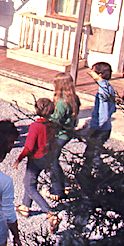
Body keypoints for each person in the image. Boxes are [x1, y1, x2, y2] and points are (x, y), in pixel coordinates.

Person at [15, 98, 61, 232]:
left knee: (29, 185)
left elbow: (29, 146)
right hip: (46, 157)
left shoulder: (35, 126)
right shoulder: (52, 125)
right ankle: (25, 206)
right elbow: (53, 144)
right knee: (29, 180)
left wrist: (19, 158)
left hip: (35, 159)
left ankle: (50, 213)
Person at [46, 72, 80, 201]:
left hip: (60, 134)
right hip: (68, 133)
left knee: (52, 159)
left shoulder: (61, 102)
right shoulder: (74, 99)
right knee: (55, 158)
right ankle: (65, 184)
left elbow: (55, 120)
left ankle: (57, 188)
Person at [84, 62, 115, 170]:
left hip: (100, 129)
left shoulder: (103, 91)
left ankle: (106, 176)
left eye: (93, 71)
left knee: (92, 156)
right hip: (106, 127)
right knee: (92, 154)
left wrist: (94, 128)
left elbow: (104, 114)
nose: (91, 73)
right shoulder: (109, 88)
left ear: (100, 74)